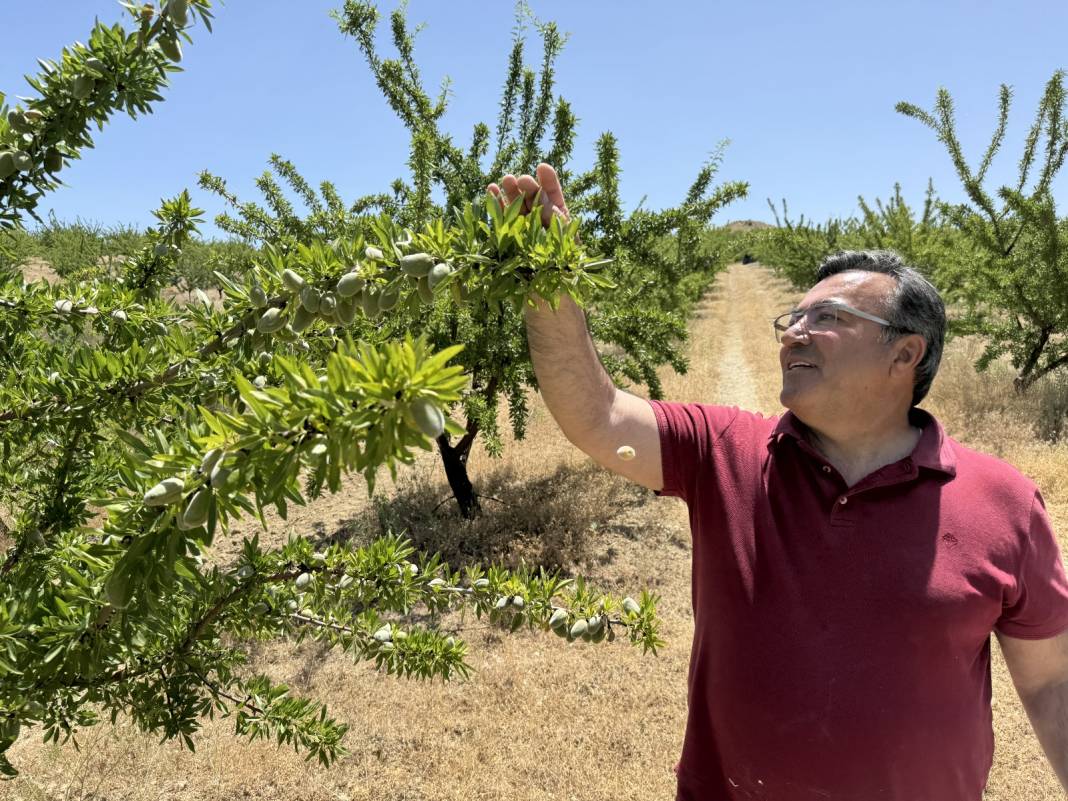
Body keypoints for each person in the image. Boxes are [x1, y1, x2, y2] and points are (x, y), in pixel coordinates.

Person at [488, 163, 1068, 801]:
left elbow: (1050, 683)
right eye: (791, 317)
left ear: (906, 354)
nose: (794, 331)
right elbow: (597, 416)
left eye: (828, 317)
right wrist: (546, 284)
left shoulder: (1004, 501)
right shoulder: (725, 452)